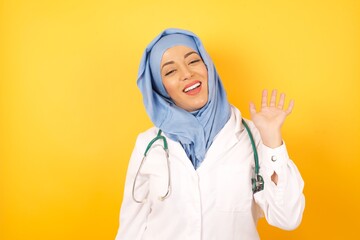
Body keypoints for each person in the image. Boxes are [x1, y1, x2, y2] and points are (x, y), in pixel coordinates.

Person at [115, 28, 305, 240]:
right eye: (170, 71)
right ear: (160, 88)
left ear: (207, 67)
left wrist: (272, 140)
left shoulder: (253, 136)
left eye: (193, 61)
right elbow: (131, 229)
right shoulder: (149, 144)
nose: (187, 73)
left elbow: (287, 218)